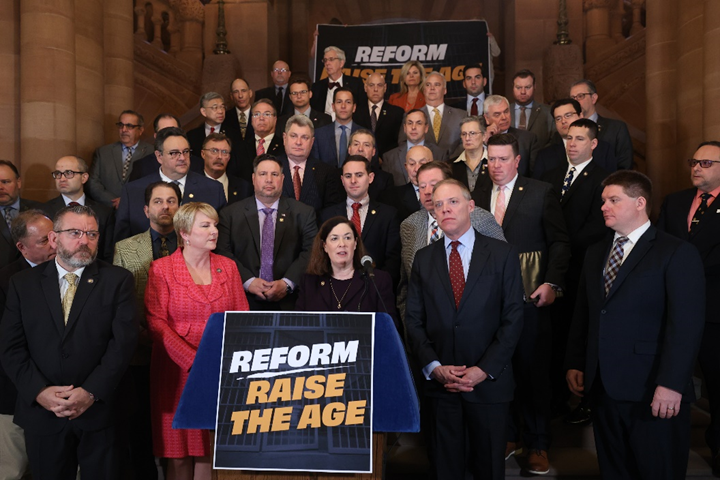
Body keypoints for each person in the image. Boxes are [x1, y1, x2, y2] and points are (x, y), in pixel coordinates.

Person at [565, 170, 705, 480]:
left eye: (614, 200)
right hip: (603, 388)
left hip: (653, 389)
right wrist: (576, 361)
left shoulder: (676, 251)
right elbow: (585, 313)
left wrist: (671, 384)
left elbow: (686, 326)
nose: (604, 207)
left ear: (640, 203)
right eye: (603, 201)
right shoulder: (595, 252)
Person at [0, 205, 138, 479]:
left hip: (99, 412)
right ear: (54, 238)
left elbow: (122, 345)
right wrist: (39, 392)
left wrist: (90, 392)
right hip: (43, 413)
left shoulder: (117, 280)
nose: (84, 241)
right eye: (75, 233)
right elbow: (11, 347)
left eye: (92, 234)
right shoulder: (22, 283)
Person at [404, 178, 524, 480]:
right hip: (441, 387)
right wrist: (434, 366)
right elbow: (413, 320)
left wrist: (484, 369)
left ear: (471, 206)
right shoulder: (423, 259)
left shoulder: (503, 254)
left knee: (489, 470)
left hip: (489, 386)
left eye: (453, 202)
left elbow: (513, 318)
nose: (445, 209)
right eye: (438, 204)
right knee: (444, 470)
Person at [473, 133, 571, 474]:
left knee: (533, 373)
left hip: (531, 300)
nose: (496, 165)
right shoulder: (476, 195)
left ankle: (538, 443)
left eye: (503, 159)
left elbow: (560, 242)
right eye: (491, 159)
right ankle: (509, 437)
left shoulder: (541, 192)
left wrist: (551, 283)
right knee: (499, 371)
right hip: (488, 304)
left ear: (517, 160)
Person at [145, 202, 249, 480]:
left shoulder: (228, 267)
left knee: (209, 450)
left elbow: (242, 317)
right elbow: (156, 322)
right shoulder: (162, 269)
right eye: (205, 225)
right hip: (176, 370)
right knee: (178, 452)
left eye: (214, 225)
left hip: (220, 369)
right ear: (184, 233)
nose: (214, 230)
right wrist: (192, 361)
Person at [540, 119, 610, 423]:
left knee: (580, 334)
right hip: (552, 272)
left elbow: (599, 226)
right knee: (554, 337)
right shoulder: (549, 177)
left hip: (583, 269)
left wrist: (562, 243)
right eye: (569, 137)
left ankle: (585, 401)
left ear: (593, 144)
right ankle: (555, 400)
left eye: (580, 138)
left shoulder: (604, 179)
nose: (572, 143)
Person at [657, 141, 720, 476]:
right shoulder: (675, 201)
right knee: (671, 380)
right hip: (673, 308)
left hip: (715, 312)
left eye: (706, 163)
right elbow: (659, 249)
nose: (697, 167)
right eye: (694, 162)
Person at [113, 181, 181, 480]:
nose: (165, 206)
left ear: (180, 208)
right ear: (145, 209)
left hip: (182, 352)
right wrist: (143, 333)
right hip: (140, 350)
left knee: (177, 426)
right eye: (158, 201)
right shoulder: (125, 248)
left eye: (171, 201)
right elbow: (120, 300)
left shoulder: (194, 243)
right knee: (140, 426)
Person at [397, 161, 505, 320]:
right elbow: (406, 283)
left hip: (478, 319)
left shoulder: (480, 218)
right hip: (428, 324)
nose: (427, 192)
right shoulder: (409, 225)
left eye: (433, 184)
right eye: (422, 186)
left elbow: (505, 267)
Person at [217, 154, 318, 310]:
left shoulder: (303, 213)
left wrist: (287, 283)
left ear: (282, 179)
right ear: (253, 178)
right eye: (263, 174)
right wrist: (248, 281)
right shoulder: (230, 214)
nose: (269, 180)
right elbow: (223, 253)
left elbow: (312, 250)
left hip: (290, 302)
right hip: (243, 300)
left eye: (274, 174)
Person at [0, 210, 55, 480]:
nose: (54, 244)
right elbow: (8, 347)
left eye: (54, 236)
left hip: (59, 397)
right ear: (22, 247)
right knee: (14, 471)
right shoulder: (5, 282)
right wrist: (36, 388)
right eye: (44, 240)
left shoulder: (72, 272)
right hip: (13, 397)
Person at [114, 127, 226, 241]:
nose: (182, 158)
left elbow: (222, 239)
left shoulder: (213, 189)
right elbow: (121, 241)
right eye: (174, 153)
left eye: (186, 152)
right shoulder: (133, 190)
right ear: (159, 156)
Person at [296, 217, 399, 329]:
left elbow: (390, 328)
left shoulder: (377, 280)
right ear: (324, 246)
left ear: (355, 243)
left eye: (347, 238)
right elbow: (299, 327)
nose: (342, 244)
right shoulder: (309, 282)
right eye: (334, 238)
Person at [320, 155, 401, 289]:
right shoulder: (327, 215)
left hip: (375, 289)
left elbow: (393, 260)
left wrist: (379, 286)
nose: (353, 181)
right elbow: (322, 257)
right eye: (348, 176)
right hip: (336, 289)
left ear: (370, 177)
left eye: (359, 175)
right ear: (342, 180)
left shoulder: (388, 215)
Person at [44, 155, 115, 262]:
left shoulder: (104, 213)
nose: (62, 179)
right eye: (58, 174)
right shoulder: (43, 212)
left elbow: (108, 253)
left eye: (68, 173)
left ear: (84, 178)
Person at [532, 99, 617, 180]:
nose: (563, 121)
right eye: (558, 118)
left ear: (581, 116)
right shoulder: (544, 155)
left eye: (568, 115)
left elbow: (612, 182)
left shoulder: (604, 149)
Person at [86, 110, 154, 208]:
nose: (124, 130)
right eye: (121, 125)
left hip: (138, 209)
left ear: (140, 130)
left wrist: (128, 201)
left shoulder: (152, 152)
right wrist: (113, 201)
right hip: (107, 210)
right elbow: (93, 183)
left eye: (129, 126)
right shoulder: (103, 152)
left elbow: (154, 183)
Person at [279, 115, 344, 214]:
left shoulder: (326, 172)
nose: (298, 142)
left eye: (304, 137)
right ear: (284, 138)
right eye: (293, 136)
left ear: (312, 142)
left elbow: (331, 212)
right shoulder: (272, 168)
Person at [569, 79, 633, 170]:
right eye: (573, 98)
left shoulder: (616, 128)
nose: (576, 101)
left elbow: (625, 166)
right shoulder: (565, 130)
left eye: (580, 96)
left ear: (593, 98)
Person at [129, 114, 205, 181]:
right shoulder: (142, 166)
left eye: (174, 131)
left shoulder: (197, 164)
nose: (170, 136)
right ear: (156, 136)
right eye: (164, 132)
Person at [0, 160, 46, 269]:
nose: (0, 187)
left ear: (18, 183)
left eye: (5, 182)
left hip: (35, 273)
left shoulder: (40, 210)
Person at [382, 109, 445, 185]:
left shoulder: (440, 154)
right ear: (405, 128)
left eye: (419, 123)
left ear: (426, 128)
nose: (413, 127)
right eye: (410, 123)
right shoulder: (389, 157)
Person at [483, 95, 539, 177]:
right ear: (487, 118)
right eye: (497, 114)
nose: (504, 117)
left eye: (506, 112)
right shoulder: (479, 141)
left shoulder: (527, 139)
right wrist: (485, 144)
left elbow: (535, 176)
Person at [232, 99, 286, 180]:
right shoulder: (239, 147)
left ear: (275, 119)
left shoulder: (284, 146)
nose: (261, 118)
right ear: (251, 120)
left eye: (267, 114)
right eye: (256, 114)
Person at [416, 72, 465, 160]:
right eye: (428, 85)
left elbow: (465, 141)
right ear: (424, 90)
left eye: (437, 84)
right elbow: (404, 142)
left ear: (445, 90)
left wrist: (449, 161)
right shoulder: (412, 116)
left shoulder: (461, 115)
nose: (432, 88)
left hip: (452, 164)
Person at [311, 87, 364, 167]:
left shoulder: (366, 135)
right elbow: (315, 165)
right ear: (333, 107)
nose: (343, 106)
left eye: (348, 102)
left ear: (354, 107)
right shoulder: (319, 134)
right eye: (339, 102)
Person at [353, 72, 404, 157]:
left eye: (379, 85)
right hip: (361, 159)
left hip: (388, 161)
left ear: (385, 88)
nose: (375, 89)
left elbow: (399, 142)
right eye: (371, 85)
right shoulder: (355, 112)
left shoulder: (397, 113)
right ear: (365, 88)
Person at [310, 46, 366, 120]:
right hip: (323, 126)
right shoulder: (316, 87)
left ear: (341, 63)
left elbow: (362, 110)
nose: (327, 63)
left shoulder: (356, 84)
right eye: (325, 60)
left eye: (331, 59)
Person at [379, 145, 432, 222]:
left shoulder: (446, 193)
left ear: (432, 165)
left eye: (422, 163)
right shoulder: (391, 198)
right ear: (406, 167)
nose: (417, 169)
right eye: (412, 164)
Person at [201, 133, 252, 204]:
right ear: (203, 154)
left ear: (229, 157)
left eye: (224, 152)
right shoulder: (190, 185)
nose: (219, 156)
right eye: (214, 151)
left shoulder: (244, 188)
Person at [509, 69, 555, 148]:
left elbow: (553, 140)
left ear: (534, 86)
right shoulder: (505, 111)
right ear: (513, 87)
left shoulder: (548, 112)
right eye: (518, 87)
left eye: (527, 87)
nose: (523, 92)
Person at [185, 92, 230, 157]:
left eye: (222, 107)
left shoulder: (234, 134)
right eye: (215, 107)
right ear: (203, 112)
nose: (220, 111)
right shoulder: (192, 136)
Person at [452, 116, 489, 192]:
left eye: (472, 133)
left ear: (484, 136)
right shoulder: (451, 166)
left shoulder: (494, 163)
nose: (467, 138)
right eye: (464, 134)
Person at [222, 78, 254, 143]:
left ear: (250, 93)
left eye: (243, 91)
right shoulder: (224, 117)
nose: (240, 95)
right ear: (231, 96)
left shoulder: (259, 115)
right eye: (236, 92)